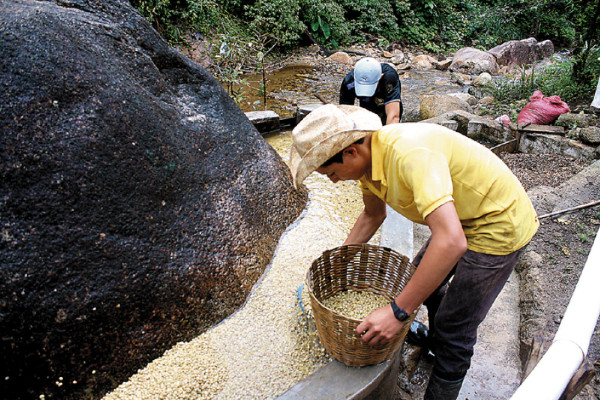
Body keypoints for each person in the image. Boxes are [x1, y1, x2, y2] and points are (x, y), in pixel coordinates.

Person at [289, 104, 539, 400]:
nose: (333, 180)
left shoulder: (408, 155)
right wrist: (339, 264)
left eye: (331, 173)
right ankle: (434, 342)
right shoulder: (368, 165)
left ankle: (442, 371)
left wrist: (397, 313)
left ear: (351, 152)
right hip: (461, 216)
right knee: (425, 289)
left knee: (454, 328)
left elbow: (451, 242)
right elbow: (372, 216)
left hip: (497, 222)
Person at [339, 57, 403, 125]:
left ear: (380, 77)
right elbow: (345, 116)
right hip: (366, 107)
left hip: (384, 105)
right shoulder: (348, 83)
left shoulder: (389, 77)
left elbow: (393, 116)